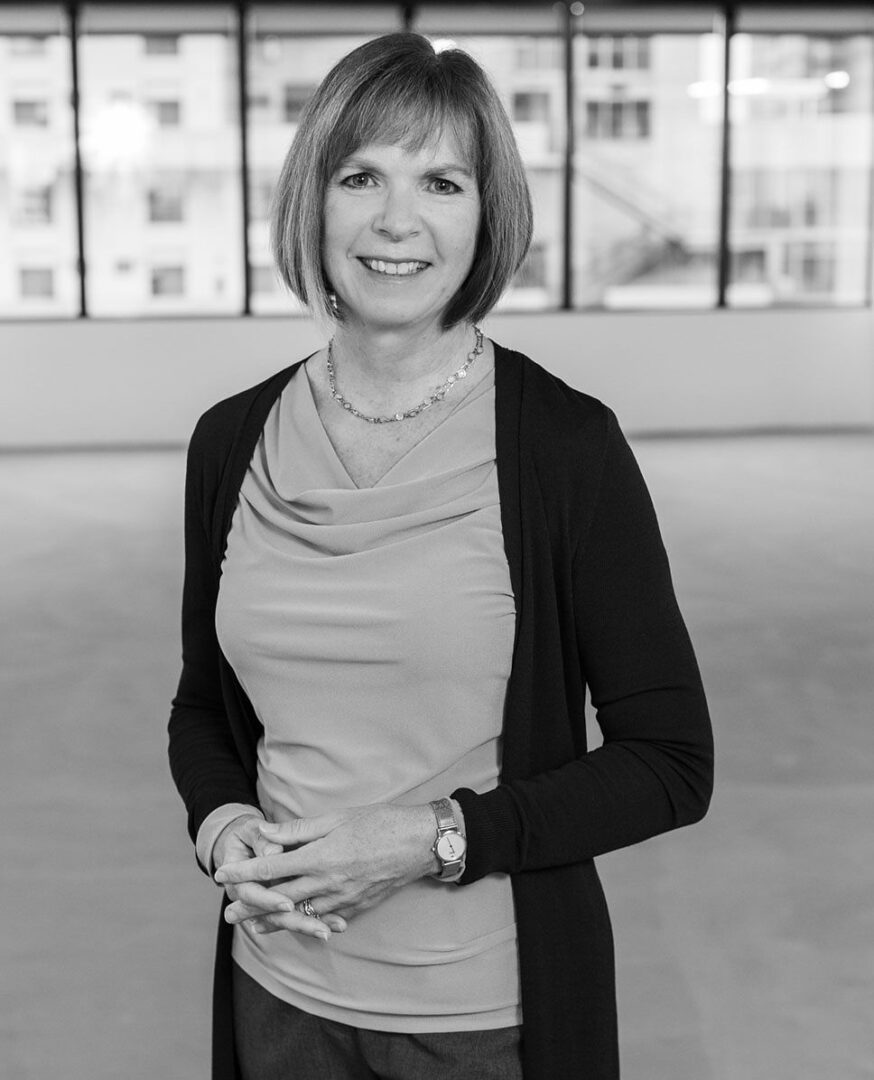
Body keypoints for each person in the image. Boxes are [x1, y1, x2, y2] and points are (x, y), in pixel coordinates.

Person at [168, 31, 713, 1080]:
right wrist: (223, 822)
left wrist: (431, 838)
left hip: (482, 1021)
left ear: (486, 212)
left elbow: (670, 764)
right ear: (312, 202)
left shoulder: (563, 448)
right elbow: (204, 708)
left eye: (442, 181)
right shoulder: (230, 440)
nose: (396, 222)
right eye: (360, 175)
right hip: (276, 997)